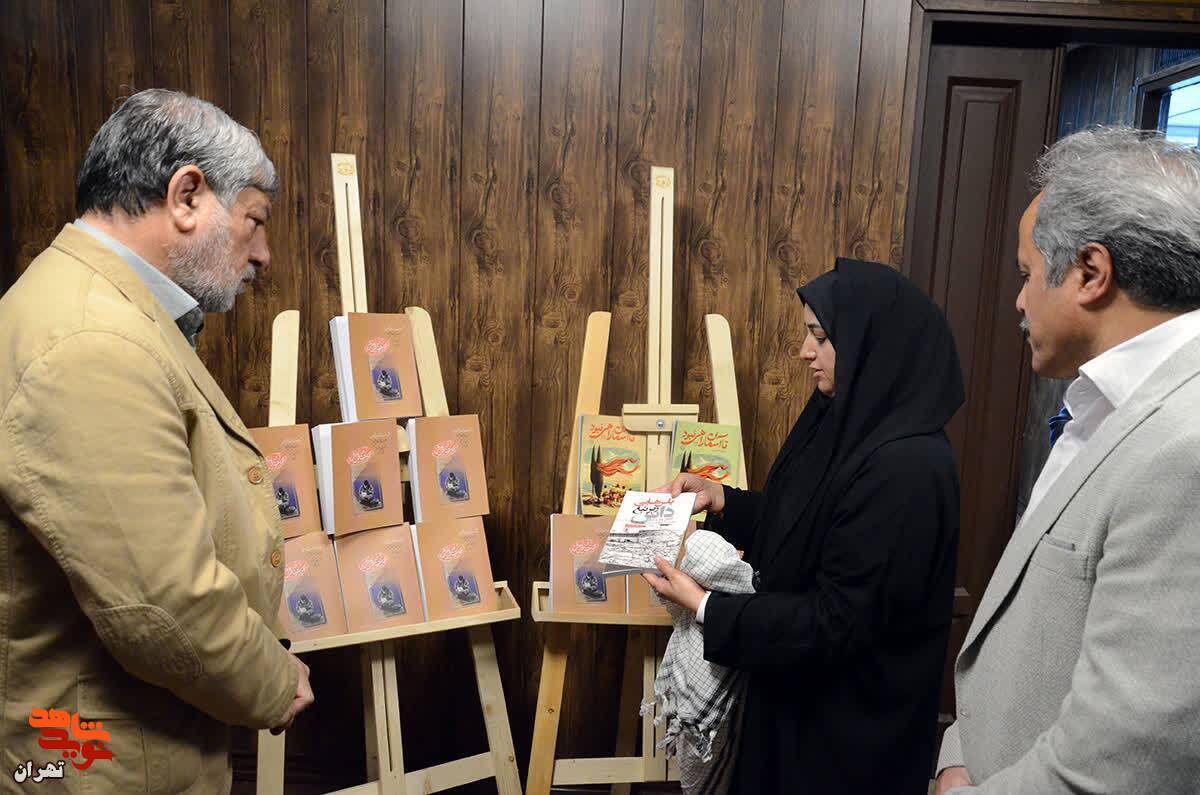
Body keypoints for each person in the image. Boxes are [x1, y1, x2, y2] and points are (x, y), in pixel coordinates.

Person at [0, 89, 313, 793]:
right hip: (99, 767)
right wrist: (273, 679)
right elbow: (164, 604)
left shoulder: (105, 309)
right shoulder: (90, 340)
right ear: (187, 196)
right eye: (255, 221)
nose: (263, 255)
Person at [931, 127, 1200, 794]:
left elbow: (1126, 762)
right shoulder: (1105, 403)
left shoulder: (1184, 446)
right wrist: (959, 752)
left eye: (1026, 273)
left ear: (1089, 273)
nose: (1020, 301)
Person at [649, 258, 965, 793]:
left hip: (847, 740)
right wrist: (723, 501)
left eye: (820, 336)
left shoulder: (907, 469)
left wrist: (706, 606)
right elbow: (808, 524)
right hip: (795, 711)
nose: (803, 352)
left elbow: (838, 621)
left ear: (868, 343)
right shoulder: (842, 417)